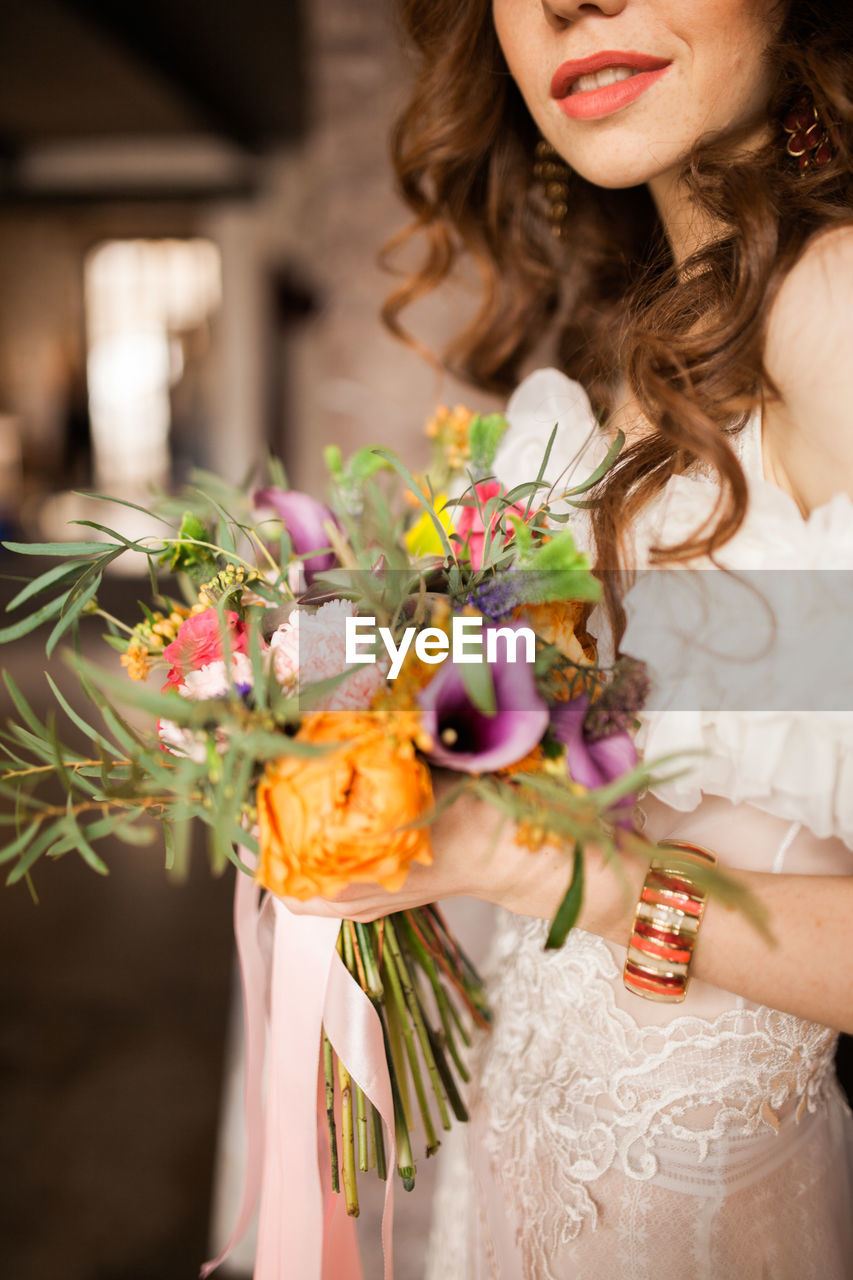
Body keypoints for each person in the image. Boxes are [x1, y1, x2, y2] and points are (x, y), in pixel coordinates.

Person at [288, 0, 853, 1274]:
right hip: (525, 1167)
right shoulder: (635, 350)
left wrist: (536, 865)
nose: (565, 3)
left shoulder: (836, 309)